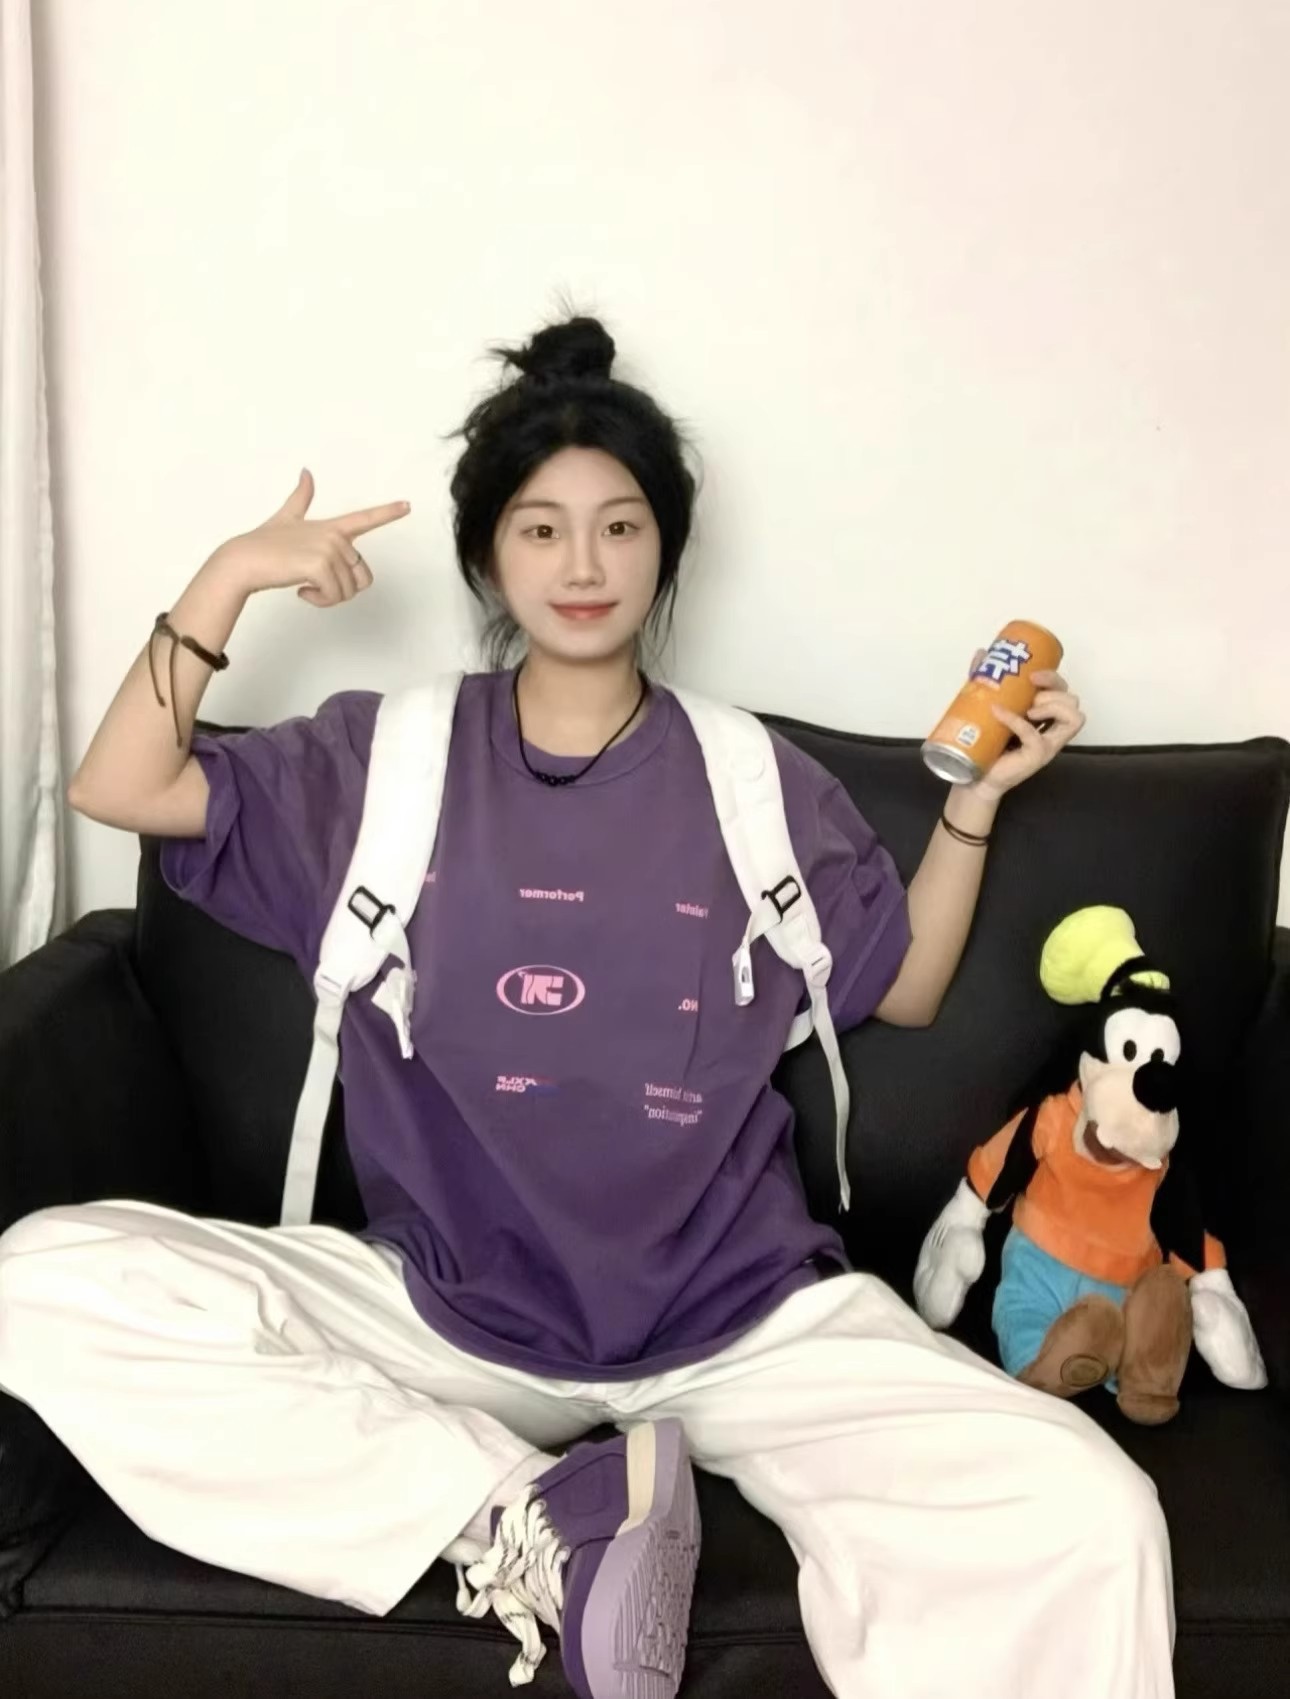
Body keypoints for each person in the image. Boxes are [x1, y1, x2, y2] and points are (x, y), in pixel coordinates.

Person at [0, 316, 1173, 1699]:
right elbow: (121, 787)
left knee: (1088, 1511)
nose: (582, 565)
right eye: (542, 529)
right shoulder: (385, 759)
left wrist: (976, 803)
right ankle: (523, 1515)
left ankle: (568, 1500)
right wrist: (229, 577)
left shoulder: (753, 779)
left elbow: (903, 988)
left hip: (741, 1319)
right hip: (447, 1309)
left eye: (619, 528)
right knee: (38, 1284)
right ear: (489, 554)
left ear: (664, 551)